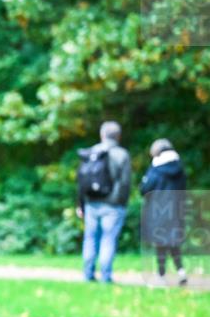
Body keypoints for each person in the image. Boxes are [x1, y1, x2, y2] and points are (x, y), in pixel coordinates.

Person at [76, 121, 132, 283]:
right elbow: (125, 183)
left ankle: (88, 274)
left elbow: (81, 180)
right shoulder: (122, 155)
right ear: (118, 136)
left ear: (102, 135)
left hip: (91, 203)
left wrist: (80, 204)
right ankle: (106, 276)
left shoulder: (92, 152)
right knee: (108, 239)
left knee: (90, 238)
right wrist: (122, 203)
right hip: (113, 205)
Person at [140, 138, 188, 286]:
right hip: (176, 208)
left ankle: (161, 275)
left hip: (158, 209)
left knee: (160, 241)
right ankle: (181, 272)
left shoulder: (155, 169)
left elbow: (145, 189)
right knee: (173, 241)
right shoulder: (180, 168)